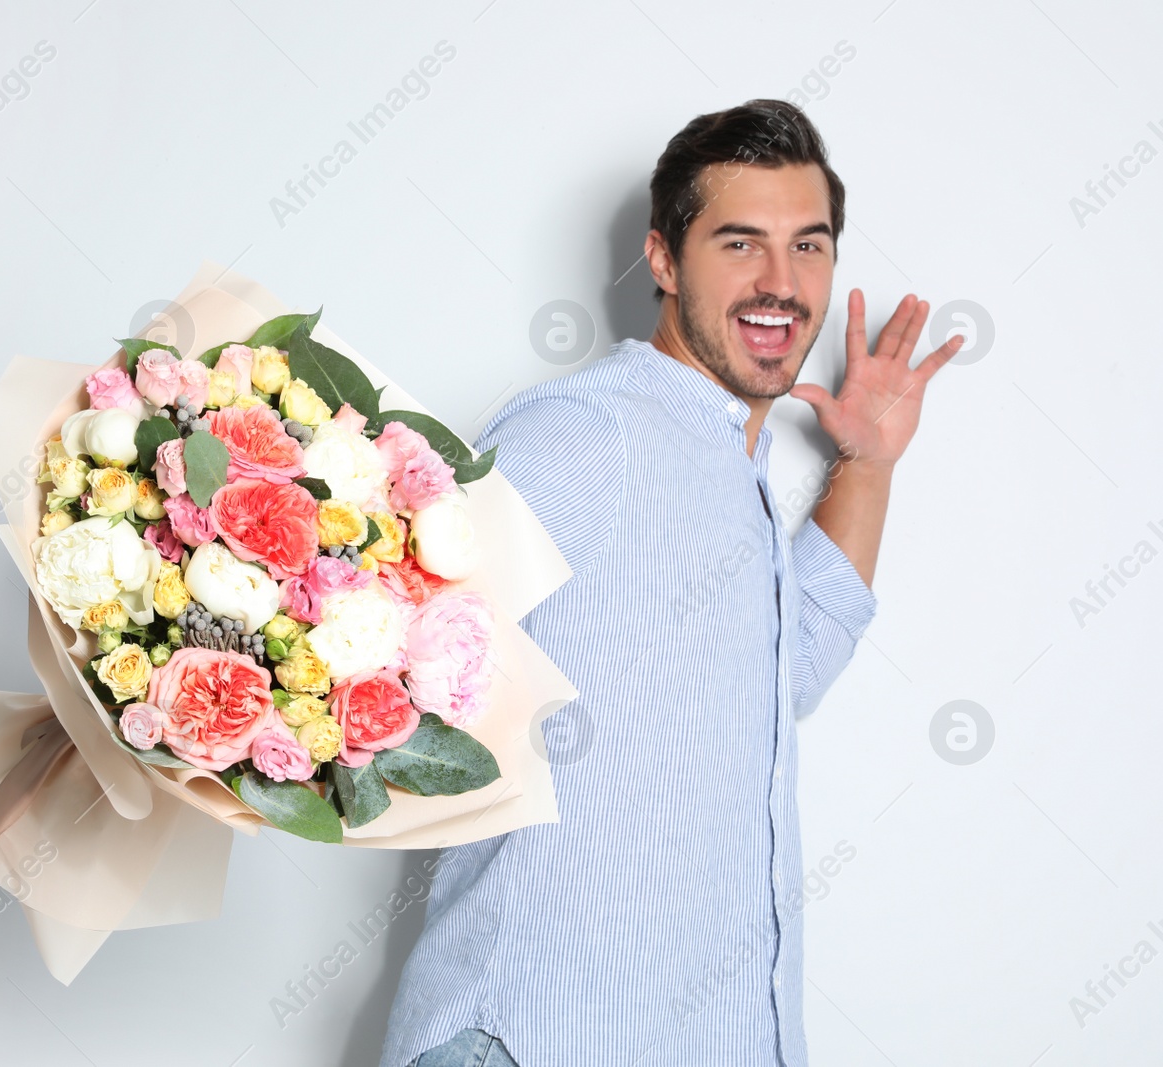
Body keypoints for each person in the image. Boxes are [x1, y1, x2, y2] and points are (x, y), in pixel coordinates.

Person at [378, 98, 963, 1067]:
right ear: (661, 259)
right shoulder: (582, 435)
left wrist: (865, 463)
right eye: (741, 243)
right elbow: (366, 650)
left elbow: (783, 672)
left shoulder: (732, 466)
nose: (782, 281)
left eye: (808, 246)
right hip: (540, 1036)